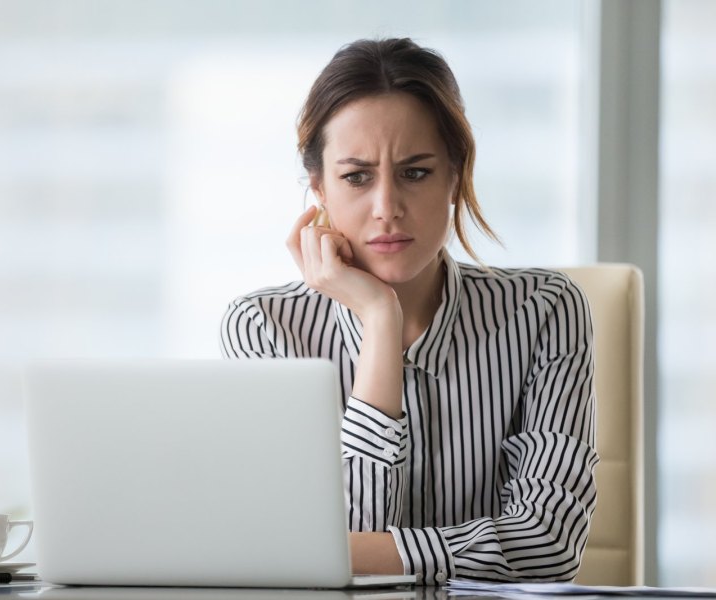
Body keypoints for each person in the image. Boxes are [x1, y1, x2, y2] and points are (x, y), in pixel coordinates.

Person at [220, 38, 598, 585]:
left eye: (415, 172)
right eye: (356, 177)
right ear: (319, 188)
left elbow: (546, 546)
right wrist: (379, 321)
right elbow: (339, 548)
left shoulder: (545, 311)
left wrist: (347, 553)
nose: (387, 209)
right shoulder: (265, 328)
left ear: (454, 175)